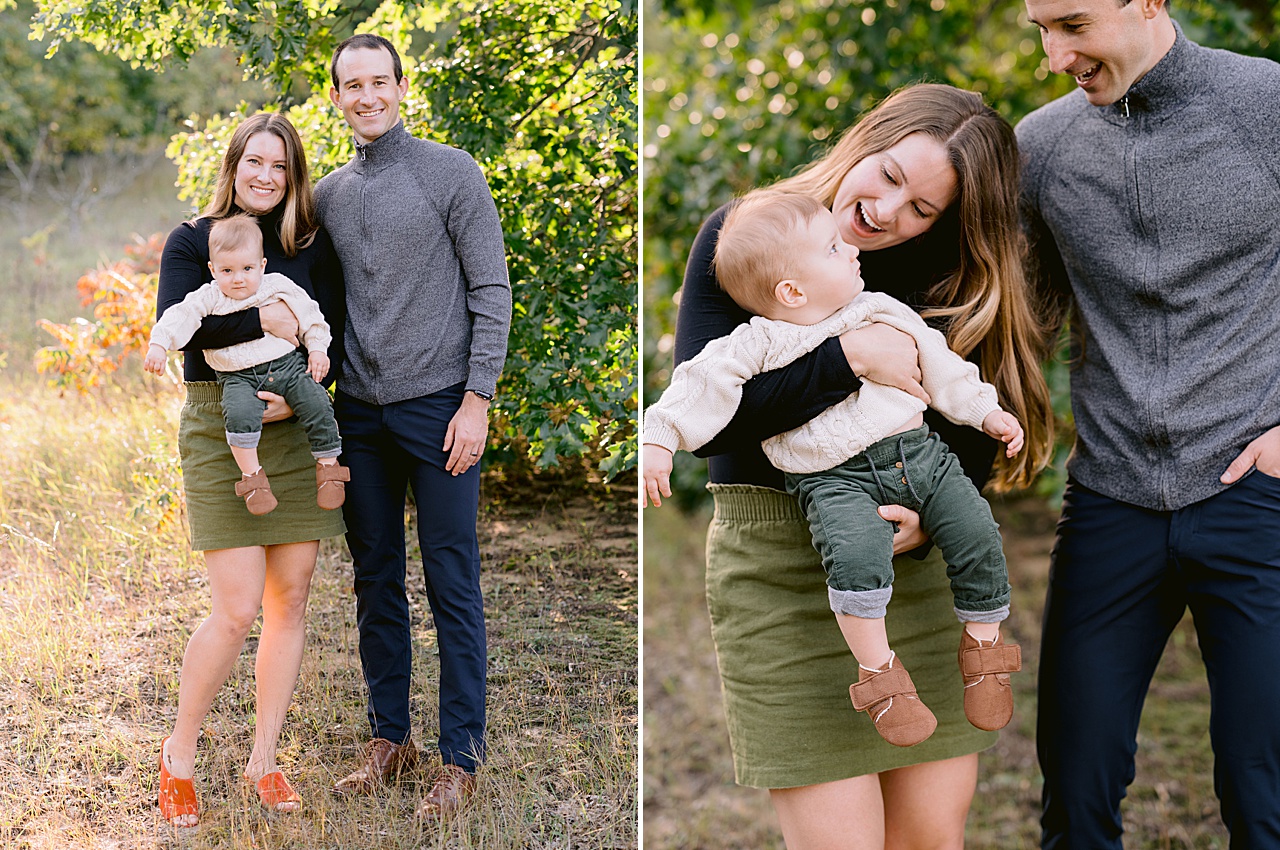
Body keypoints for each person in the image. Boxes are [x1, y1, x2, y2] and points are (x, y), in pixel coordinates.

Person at [671, 83, 1053, 849]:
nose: (885, 210)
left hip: (914, 574)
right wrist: (850, 357)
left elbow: (974, 417)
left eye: (921, 208)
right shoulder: (750, 235)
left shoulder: (950, 276)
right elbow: (715, 425)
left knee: (929, 840)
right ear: (866, 141)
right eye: (888, 174)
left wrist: (928, 517)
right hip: (780, 570)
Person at [1017, 1, 1280, 845]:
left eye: (1073, 24)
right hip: (1109, 500)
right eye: (1039, 30)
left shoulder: (1266, 106)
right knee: (1076, 790)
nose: (1055, 55)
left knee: (1264, 795)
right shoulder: (1041, 149)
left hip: (1257, 494)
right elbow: (1002, 324)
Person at [644, 191, 1026, 748]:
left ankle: (985, 647)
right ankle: (881, 676)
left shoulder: (879, 309)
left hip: (920, 456)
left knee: (976, 529)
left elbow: (941, 364)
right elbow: (697, 386)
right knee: (855, 559)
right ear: (792, 291)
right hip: (833, 479)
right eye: (831, 248)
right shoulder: (757, 342)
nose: (850, 250)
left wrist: (986, 412)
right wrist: (659, 438)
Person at [314, 33, 512, 821]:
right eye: (352, 86)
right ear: (335, 98)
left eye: (379, 82)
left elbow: (491, 288)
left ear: (401, 87)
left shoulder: (451, 171)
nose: (367, 96)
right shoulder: (328, 195)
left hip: (441, 410)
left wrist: (478, 399)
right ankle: (389, 738)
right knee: (374, 577)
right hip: (358, 414)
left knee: (451, 579)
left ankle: (461, 759)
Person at [153, 111, 346, 826]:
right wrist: (264, 323)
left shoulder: (308, 246)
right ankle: (178, 756)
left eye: (279, 165)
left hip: (295, 433)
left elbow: (333, 333)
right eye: (253, 162)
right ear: (233, 165)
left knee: (289, 600)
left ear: (294, 176)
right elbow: (186, 331)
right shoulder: (193, 239)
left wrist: (302, 396)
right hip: (219, 427)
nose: (265, 176)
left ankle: (264, 759)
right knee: (236, 610)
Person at [145, 214, 349, 516]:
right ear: (213, 269)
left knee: (317, 402)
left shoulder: (277, 286)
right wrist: (158, 344)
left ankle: (329, 468)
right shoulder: (210, 296)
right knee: (238, 416)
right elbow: (178, 316)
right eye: (227, 270)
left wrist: (318, 350)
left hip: (289, 367)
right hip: (237, 377)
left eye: (247, 269)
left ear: (262, 265)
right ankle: (253, 479)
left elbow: (311, 317)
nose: (238, 278)